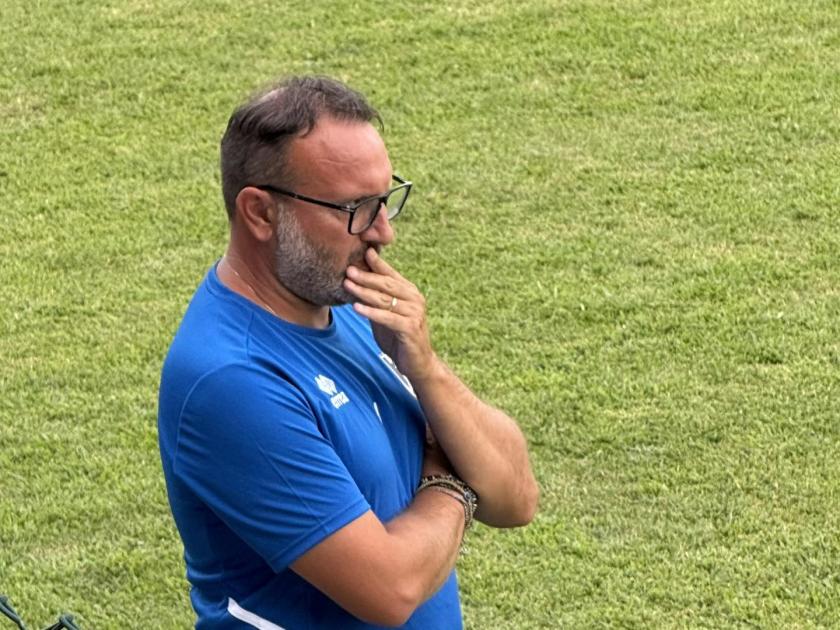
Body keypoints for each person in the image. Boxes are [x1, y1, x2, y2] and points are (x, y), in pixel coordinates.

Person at [158, 75, 539, 629]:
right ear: (261, 213)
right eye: (355, 208)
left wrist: (426, 368)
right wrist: (451, 482)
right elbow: (390, 589)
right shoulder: (232, 380)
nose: (383, 232)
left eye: (385, 200)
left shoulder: (350, 308)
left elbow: (516, 497)